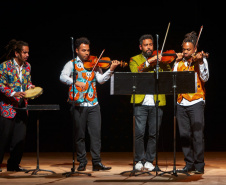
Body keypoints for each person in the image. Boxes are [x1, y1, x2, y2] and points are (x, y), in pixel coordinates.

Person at [60, 37, 120, 171]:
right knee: (79, 135)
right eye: (83, 50)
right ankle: (82, 162)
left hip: (94, 104)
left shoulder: (95, 63)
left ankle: (96, 162)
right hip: (78, 104)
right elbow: (62, 77)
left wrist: (110, 69)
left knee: (96, 135)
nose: (87, 53)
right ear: (77, 50)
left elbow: (101, 80)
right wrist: (74, 82)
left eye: (88, 50)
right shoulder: (71, 64)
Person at [129, 34, 171, 171]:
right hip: (140, 102)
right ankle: (139, 160)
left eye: (151, 45)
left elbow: (169, 76)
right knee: (139, 133)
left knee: (154, 133)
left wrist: (163, 63)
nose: (149, 47)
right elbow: (136, 72)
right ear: (141, 47)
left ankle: (149, 160)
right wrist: (149, 62)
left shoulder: (160, 60)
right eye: (146, 45)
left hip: (157, 101)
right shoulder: (134, 59)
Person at [174, 31, 209, 174]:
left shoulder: (201, 60)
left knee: (198, 135)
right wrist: (176, 62)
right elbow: (173, 80)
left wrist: (200, 61)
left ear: (195, 49)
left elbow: (205, 78)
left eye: (188, 50)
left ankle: (199, 164)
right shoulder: (179, 62)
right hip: (181, 102)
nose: (185, 52)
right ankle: (189, 163)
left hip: (196, 101)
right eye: (184, 49)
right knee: (184, 135)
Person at [0, 39, 35, 172]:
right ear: (17, 53)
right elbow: (1, 85)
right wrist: (14, 93)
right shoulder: (4, 66)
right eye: (24, 53)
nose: (27, 55)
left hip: (22, 106)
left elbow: (27, 82)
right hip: (8, 107)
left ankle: (13, 165)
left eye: (28, 53)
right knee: (3, 139)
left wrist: (30, 87)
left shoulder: (28, 66)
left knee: (19, 139)